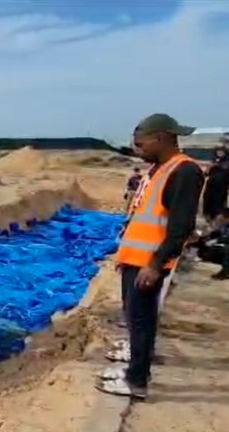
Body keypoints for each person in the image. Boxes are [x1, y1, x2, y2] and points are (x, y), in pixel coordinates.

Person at [96, 113, 204, 399]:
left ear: (161, 138)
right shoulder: (159, 168)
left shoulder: (184, 172)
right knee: (135, 317)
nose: (137, 150)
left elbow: (181, 226)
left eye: (141, 144)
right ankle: (134, 365)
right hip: (135, 258)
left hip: (148, 262)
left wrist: (156, 264)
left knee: (142, 320)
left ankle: (137, 381)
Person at [187, 207, 229, 279]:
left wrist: (217, 240)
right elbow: (216, 233)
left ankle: (226, 272)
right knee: (206, 252)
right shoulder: (224, 226)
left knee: (226, 250)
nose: (220, 222)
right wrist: (206, 237)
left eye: (221, 220)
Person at [202, 146, 229, 228]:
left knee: (217, 207)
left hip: (221, 189)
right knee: (209, 203)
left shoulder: (226, 164)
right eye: (218, 152)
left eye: (221, 152)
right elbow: (206, 174)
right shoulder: (214, 162)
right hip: (211, 188)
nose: (219, 154)